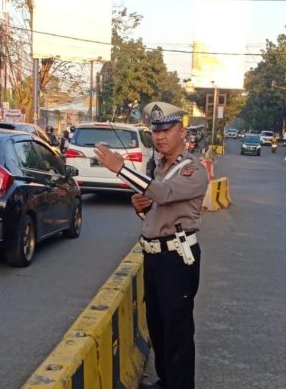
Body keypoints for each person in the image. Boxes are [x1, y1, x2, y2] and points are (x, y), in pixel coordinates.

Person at [94, 101, 209, 389]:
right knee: (157, 325)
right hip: (155, 256)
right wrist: (141, 208)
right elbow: (157, 209)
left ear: (181, 132)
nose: (159, 137)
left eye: (166, 130)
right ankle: (166, 381)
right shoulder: (156, 166)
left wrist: (121, 169)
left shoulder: (192, 170)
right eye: (155, 131)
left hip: (178, 258)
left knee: (178, 331)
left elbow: (164, 194)